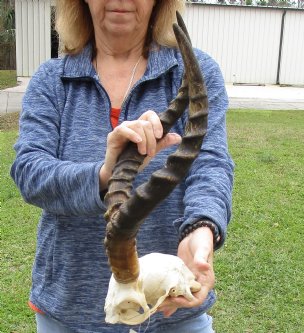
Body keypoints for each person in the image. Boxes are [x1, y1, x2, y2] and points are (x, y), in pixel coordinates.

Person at [11, 0, 234, 332]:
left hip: (170, 307)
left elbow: (210, 163)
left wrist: (200, 231)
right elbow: (30, 171)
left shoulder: (192, 71)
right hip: (70, 312)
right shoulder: (53, 79)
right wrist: (104, 174)